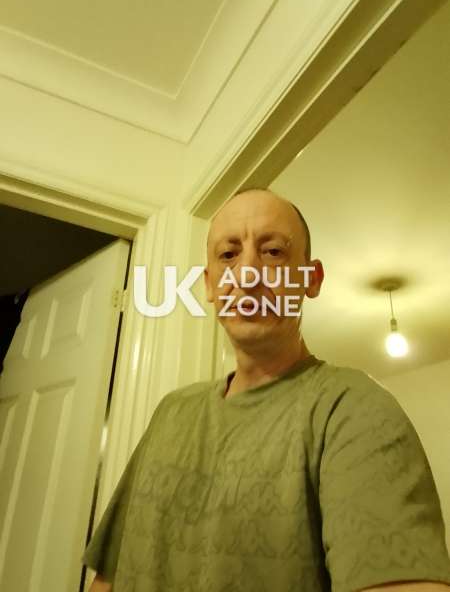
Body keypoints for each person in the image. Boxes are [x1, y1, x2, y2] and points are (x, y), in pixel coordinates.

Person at [83, 189, 450, 592]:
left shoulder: (353, 410)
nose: (247, 274)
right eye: (228, 255)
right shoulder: (170, 412)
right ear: (209, 285)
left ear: (311, 279)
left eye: (273, 252)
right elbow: (108, 578)